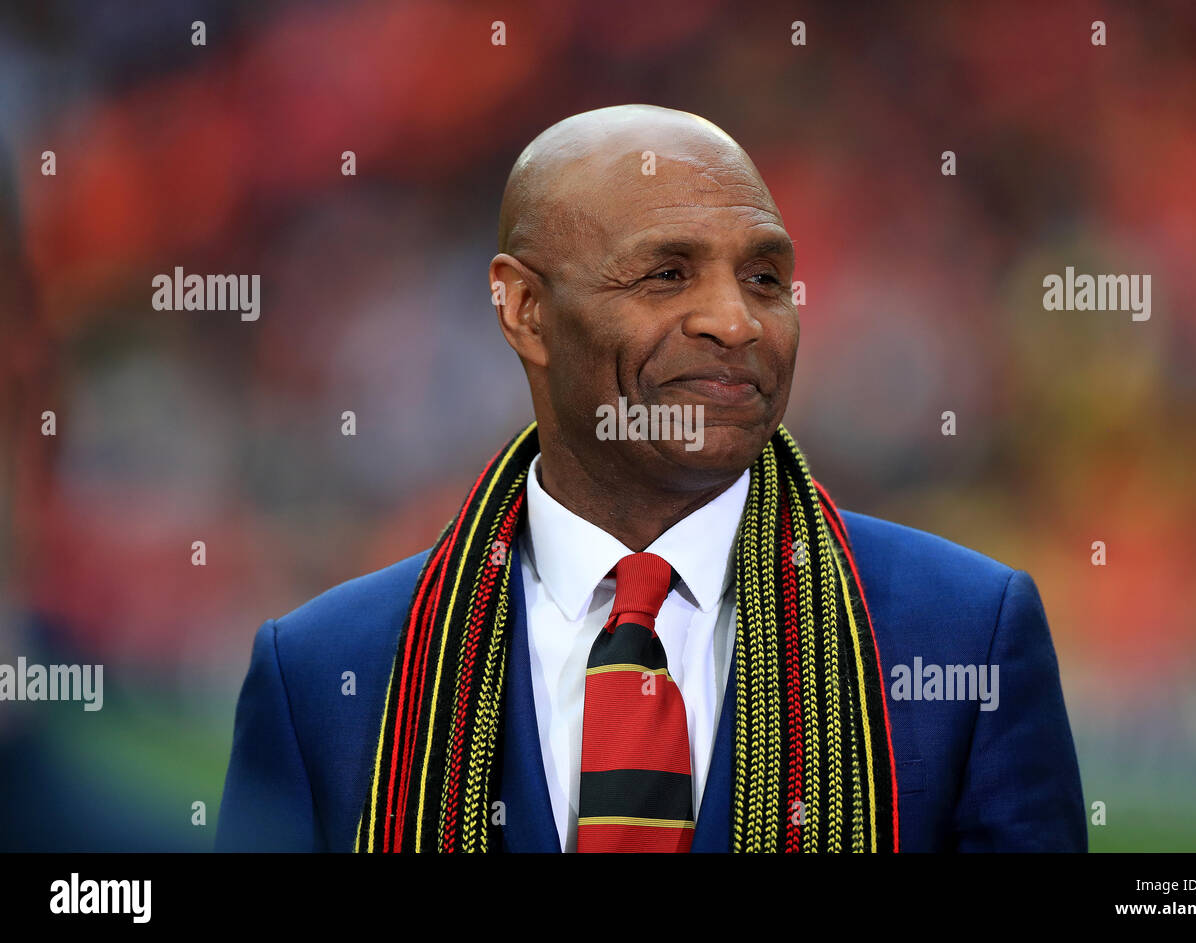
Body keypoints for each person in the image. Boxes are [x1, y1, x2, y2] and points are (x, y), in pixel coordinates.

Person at [215, 104, 1086, 853]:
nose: (735, 320)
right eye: (667, 273)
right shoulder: (324, 673)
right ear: (523, 309)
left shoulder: (965, 635)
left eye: (766, 278)